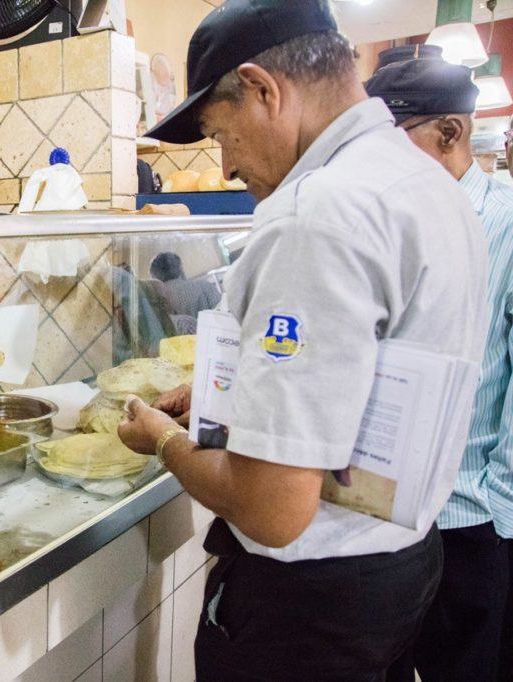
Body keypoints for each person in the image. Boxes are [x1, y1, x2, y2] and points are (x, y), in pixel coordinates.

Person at [116, 1, 486, 679]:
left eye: (220, 135)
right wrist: (227, 396)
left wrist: (165, 441)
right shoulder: (430, 185)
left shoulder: (317, 213)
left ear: (262, 89)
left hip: (311, 606)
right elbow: (361, 372)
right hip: (404, 565)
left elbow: (272, 510)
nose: (226, 167)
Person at [365, 56, 513, 682]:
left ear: (449, 134)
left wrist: (499, 520)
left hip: (468, 522)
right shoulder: (394, 221)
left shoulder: (503, 225)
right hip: (384, 518)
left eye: (391, 145)